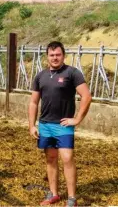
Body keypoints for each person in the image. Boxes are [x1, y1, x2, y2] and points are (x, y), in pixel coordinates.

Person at [28, 41, 92, 207]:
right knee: (50, 158)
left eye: (58, 55)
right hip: (45, 125)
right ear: (47, 57)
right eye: (51, 55)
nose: (55, 58)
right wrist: (32, 125)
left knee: (67, 158)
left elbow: (86, 96)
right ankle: (53, 194)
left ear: (63, 55)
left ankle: (71, 199)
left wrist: (77, 119)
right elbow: (34, 102)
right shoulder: (40, 76)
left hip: (63, 125)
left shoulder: (72, 73)